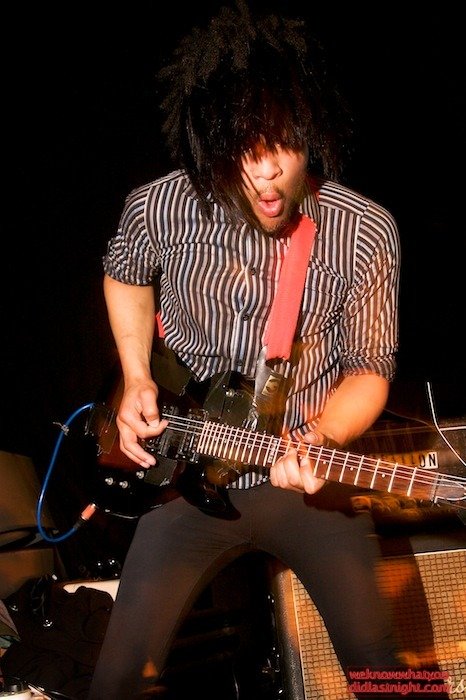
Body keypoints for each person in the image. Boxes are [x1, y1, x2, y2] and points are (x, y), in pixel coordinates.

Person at [88, 2, 448, 698]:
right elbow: (124, 273)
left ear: (313, 133)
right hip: (186, 474)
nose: (264, 174)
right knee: (120, 678)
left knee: (382, 668)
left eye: (282, 144)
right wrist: (135, 377)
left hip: (305, 486)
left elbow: (370, 370)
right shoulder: (160, 206)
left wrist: (321, 438)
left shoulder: (365, 230)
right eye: (241, 149)